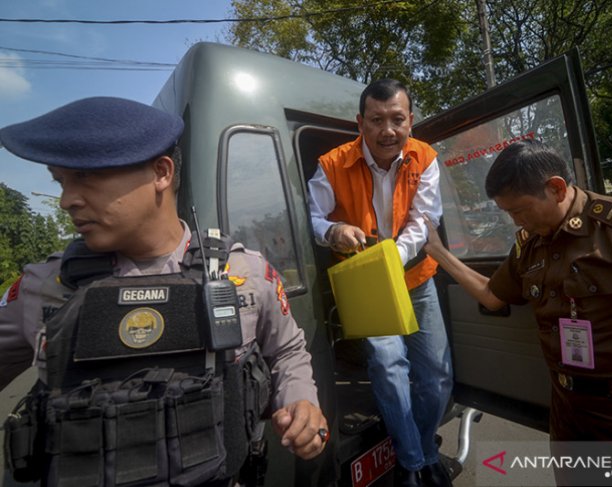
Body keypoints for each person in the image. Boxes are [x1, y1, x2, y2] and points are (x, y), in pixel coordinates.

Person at [0, 97, 328, 486]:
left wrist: (300, 399)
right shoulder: (45, 286)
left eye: (86, 177)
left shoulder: (242, 272)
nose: (67, 199)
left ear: (161, 172)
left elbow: (287, 351)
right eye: (61, 181)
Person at [424, 139, 612, 486]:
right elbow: (493, 297)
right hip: (573, 415)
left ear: (555, 188)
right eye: (508, 212)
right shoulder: (531, 243)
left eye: (520, 210)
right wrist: (437, 251)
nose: (515, 221)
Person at [308, 79, 453, 487]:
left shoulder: (425, 157)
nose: (387, 130)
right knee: (389, 369)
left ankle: (425, 451)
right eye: (376, 120)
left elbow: (425, 221)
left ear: (411, 121)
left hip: (415, 278)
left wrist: (392, 257)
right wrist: (333, 232)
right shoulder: (331, 164)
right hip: (365, 281)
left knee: (436, 375)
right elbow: (314, 218)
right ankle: (412, 464)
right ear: (360, 122)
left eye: (397, 119)